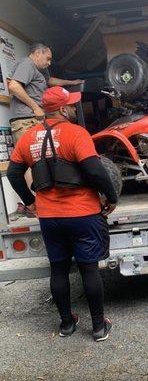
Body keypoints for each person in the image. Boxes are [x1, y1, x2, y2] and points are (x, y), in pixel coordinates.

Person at [7, 86, 118, 342]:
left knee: (58, 270)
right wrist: (111, 197)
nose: (73, 108)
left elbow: (13, 173)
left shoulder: (29, 137)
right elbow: (95, 170)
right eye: (71, 104)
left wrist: (30, 201)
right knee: (89, 270)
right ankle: (99, 327)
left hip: (50, 217)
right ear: (63, 109)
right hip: (83, 214)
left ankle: (67, 324)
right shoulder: (76, 133)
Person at [8, 42, 83, 218]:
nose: (49, 63)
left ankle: (44, 200)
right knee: (30, 162)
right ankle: (34, 204)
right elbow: (13, 86)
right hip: (26, 120)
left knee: (41, 160)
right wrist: (35, 107)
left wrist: (72, 82)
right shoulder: (27, 64)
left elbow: (51, 81)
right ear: (37, 53)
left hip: (34, 119)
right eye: (48, 58)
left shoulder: (40, 71)